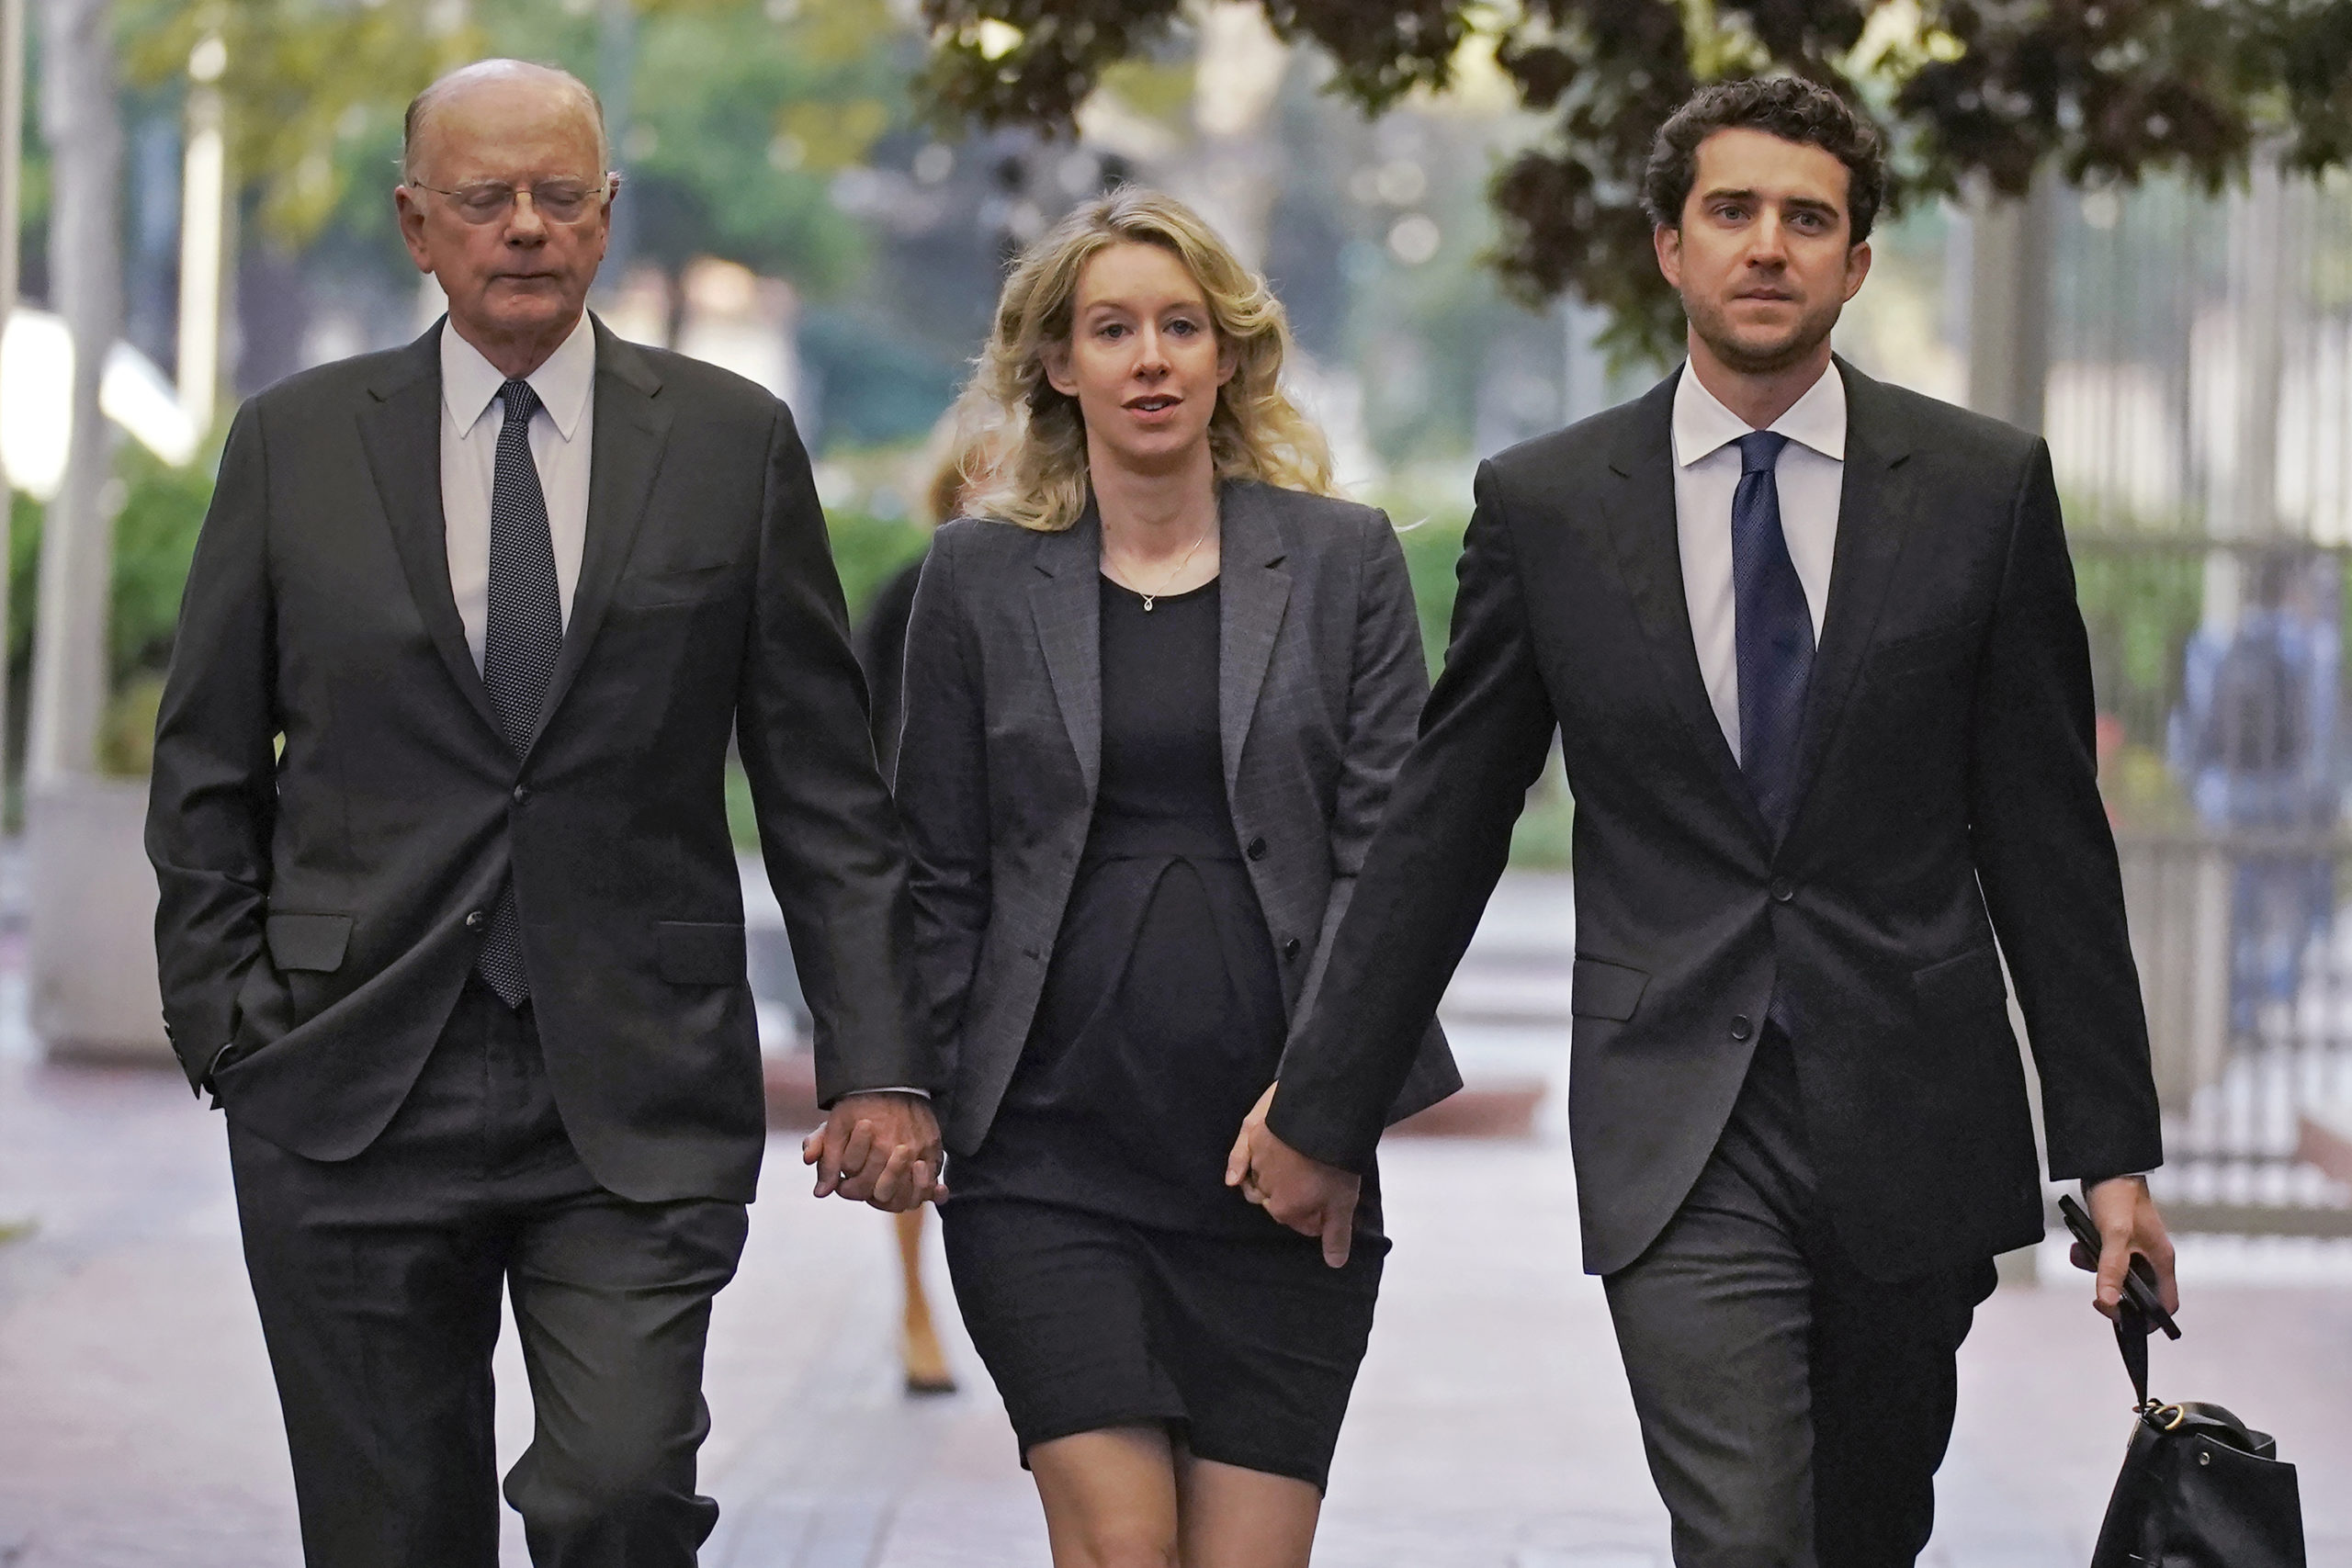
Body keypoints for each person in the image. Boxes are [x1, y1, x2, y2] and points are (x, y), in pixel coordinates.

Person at [1231, 77, 2180, 1564]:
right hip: (1678, 1114)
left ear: (1857, 264)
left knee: (1866, 1530)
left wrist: (2111, 1152)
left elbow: (2048, 835)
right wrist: (1325, 1098)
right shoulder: (1549, 504)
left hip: (1911, 1114)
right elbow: (1448, 814)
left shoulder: (1983, 493)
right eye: (1732, 211)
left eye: (1809, 219)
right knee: (1740, 1534)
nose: (1768, 246)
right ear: (1671, 247)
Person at [145, 60, 940, 1568]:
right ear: (415, 225)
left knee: (617, 1493)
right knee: (387, 1538)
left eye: (558, 196)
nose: (524, 227)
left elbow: (825, 786)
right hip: (347, 1079)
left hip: (634, 1088)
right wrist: (230, 1027)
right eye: (485, 198)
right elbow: (205, 772)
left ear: (607, 216)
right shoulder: (293, 444)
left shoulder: (730, 443)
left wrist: (878, 1060)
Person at [893, 187, 1458, 1566]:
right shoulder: (974, 578)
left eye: (1179, 325)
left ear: (1227, 354)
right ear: (1057, 363)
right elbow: (933, 867)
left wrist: (1323, 1114)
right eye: (1112, 328)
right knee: (1124, 1548)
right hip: (1046, 1159)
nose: (1149, 356)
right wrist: (903, 1080)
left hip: (1283, 1168)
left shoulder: (1344, 563)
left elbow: (1394, 865)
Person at [855, 425, 1002, 1397]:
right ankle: (914, 1301)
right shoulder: (909, 592)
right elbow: (863, 738)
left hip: (1022, 878)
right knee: (916, 1101)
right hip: (925, 875)